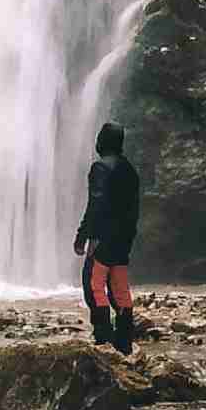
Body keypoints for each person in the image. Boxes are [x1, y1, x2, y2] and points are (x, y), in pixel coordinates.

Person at [74, 121, 140, 354]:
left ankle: (103, 340)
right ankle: (124, 344)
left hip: (104, 239)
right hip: (124, 240)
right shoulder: (130, 170)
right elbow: (133, 209)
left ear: (102, 141)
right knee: (120, 290)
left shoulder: (101, 168)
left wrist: (84, 236)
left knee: (93, 286)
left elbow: (96, 205)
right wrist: (128, 237)